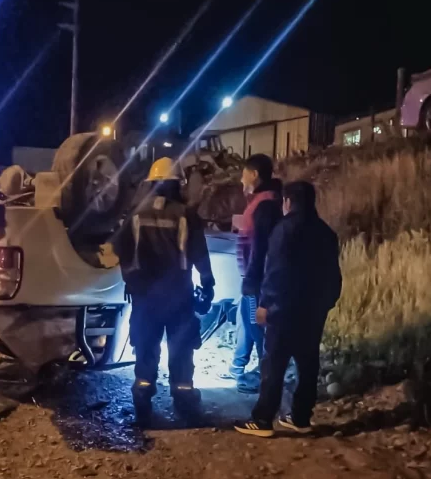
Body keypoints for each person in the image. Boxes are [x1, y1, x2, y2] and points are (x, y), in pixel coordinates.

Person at [235, 181, 342, 437]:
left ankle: (262, 420)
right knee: (308, 364)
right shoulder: (326, 232)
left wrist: (265, 304)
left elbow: (276, 271)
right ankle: (301, 417)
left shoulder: (283, 229)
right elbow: (333, 275)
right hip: (314, 309)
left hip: (284, 308)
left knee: (274, 363)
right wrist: (327, 302)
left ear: (287, 202)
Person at [114, 157, 215, 427]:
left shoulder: (136, 214)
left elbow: (121, 250)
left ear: (151, 183)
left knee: (146, 347)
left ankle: (142, 399)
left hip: (145, 296)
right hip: (178, 295)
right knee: (181, 349)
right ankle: (184, 402)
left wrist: (131, 281)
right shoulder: (186, 214)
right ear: (177, 184)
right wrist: (208, 284)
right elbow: (199, 253)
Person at [222, 154, 282, 392]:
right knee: (244, 319)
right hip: (253, 276)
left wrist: (251, 279)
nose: (241, 179)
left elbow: (260, 247)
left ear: (254, 174)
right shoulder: (261, 201)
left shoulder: (265, 204)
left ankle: (264, 376)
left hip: (256, 279)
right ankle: (238, 367)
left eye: (244, 173)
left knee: (255, 324)